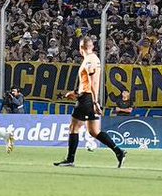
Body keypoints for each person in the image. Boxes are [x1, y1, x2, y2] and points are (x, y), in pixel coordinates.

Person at [54, 36, 126, 167]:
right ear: (91, 46)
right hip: (86, 96)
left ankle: (70, 159)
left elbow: (93, 83)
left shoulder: (90, 60)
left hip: (87, 98)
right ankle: (119, 152)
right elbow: (88, 82)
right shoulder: (91, 59)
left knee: (74, 127)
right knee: (94, 131)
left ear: (81, 48)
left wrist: (94, 101)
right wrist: (75, 93)